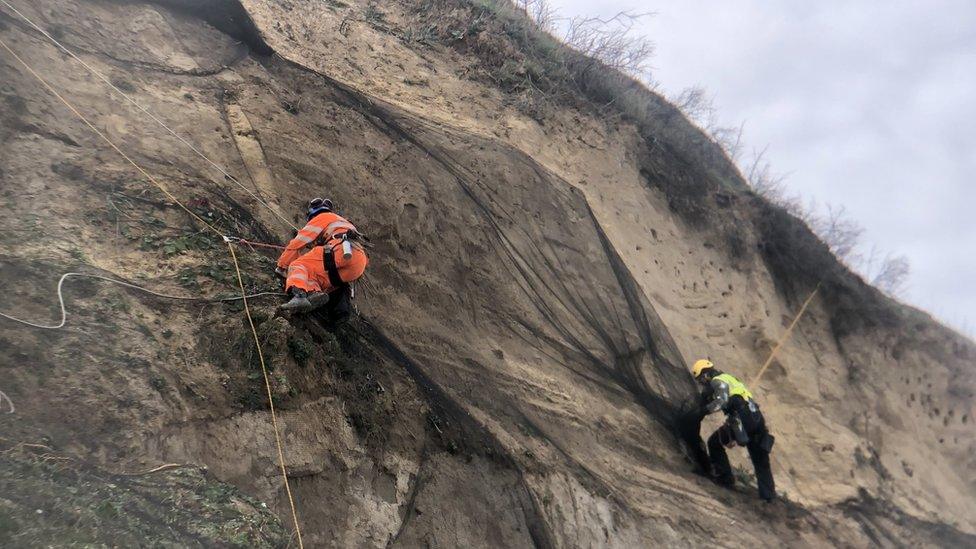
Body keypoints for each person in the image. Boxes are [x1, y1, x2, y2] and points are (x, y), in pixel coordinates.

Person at [693, 359, 776, 502]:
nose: (702, 383)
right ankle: (768, 498)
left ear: (706, 375)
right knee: (760, 458)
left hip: (743, 420)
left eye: (701, 379)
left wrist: (702, 411)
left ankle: (726, 479)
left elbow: (721, 401)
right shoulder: (730, 378)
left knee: (714, 442)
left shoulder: (717, 381)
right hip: (756, 417)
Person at [277, 198, 368, 315]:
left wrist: (282, 266)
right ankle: (313, 292)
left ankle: (299, 295)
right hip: (358, 263)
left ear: (312, 214)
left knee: (298, 265)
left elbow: (298, 242)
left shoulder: (321, 218)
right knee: (315, 275)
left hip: (340, 249)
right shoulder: (342, 222)